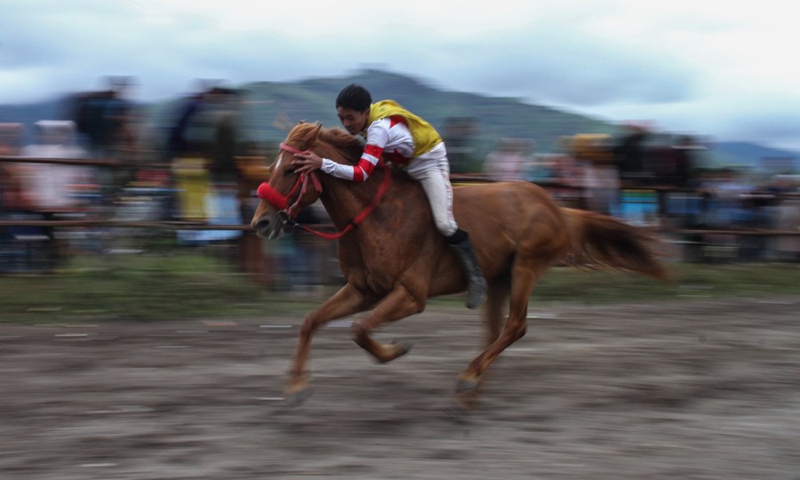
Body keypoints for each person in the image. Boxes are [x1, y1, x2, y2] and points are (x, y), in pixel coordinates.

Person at [293, 84, 487, 309]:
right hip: (404, 165)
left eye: (350, 117)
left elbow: (361, 173)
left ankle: (476, 278)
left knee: (444, 224)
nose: (346, 124)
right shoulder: (369, 119)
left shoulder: (378, 129)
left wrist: (322, 163)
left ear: (366, 113)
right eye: (341, 118)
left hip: (429, 165)